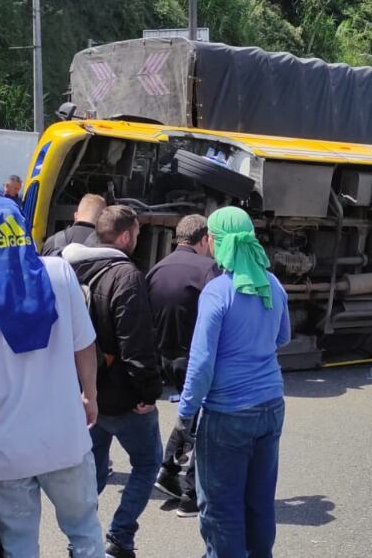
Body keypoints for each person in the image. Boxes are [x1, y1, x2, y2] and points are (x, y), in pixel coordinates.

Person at [0, 198, 106, 556]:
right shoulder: (60, 273)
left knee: (19, 544)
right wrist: (89, 394)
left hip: (4, 448)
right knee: (85, 531)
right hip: (64, 437)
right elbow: (84, 344)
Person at [179, 206, 291, 558]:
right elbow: (283, 337)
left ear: (218, 241)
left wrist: (185, 413)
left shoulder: (218, 292)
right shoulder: (272, 284)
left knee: (220, 506)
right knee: (260, 500)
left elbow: (201, 364)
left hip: (227, 412)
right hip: (271, 405)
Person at [63, 206, 162, 558]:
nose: (138, 239)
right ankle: (119, 537)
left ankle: (82, 539)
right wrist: (148, 391)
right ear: (124, 236)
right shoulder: (126, 276)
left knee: (94, 469)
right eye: (136, 233)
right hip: (123, 396)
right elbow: (136, 341)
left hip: (85, 392)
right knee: (148, 463)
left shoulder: (70, 267)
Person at [147, 214, 220, 516]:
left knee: (190, 415)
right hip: (195, 357)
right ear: (204, 239)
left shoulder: (157, 269)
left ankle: (167, 470)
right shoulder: (207, 269)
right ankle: (191, 495)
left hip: (167, 357)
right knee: (205, 424)